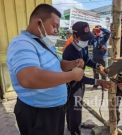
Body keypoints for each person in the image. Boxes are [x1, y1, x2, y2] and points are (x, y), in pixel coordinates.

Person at [7, 4, 84, 135]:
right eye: (54, 26)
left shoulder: (43, 43)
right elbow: (29, 78)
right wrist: (72, 76)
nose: (57, 31)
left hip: (53, 110)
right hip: (38, 114)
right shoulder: (22, 43)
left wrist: (72, 64)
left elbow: (57, 64)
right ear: (39, 23)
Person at [62, 21, 111, 135]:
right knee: (75, 111)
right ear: (74, 36)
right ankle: (75, 131)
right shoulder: (69, 52)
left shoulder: (81, 47)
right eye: (83, 38)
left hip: (79, 83)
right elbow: (78, 77)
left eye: (87, 38)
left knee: (72, 109)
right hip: (72, 85)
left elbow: (87, 60)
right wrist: (97, 81)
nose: (86, 41)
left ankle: (70, 127)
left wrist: (97, 65)